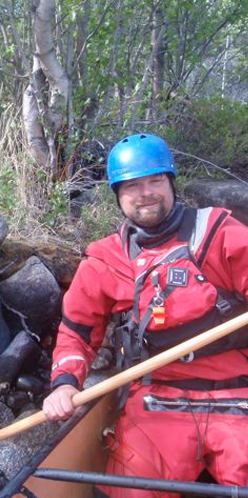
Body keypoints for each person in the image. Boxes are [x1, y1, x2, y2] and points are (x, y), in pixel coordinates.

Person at [42, 133, 248, 498]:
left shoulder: (220, 234)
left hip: (238, 394)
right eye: (133, 186)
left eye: (155, 180)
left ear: (171, 183)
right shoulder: (106, 258)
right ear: (118, 195)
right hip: (157, 399)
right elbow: (76, 331)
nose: (146, 193)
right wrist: (64, 383)